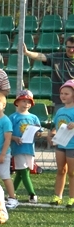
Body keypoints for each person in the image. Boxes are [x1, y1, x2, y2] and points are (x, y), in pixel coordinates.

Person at [9, 90, 41, 204]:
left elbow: (39, 132)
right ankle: (32, 194)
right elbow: (7, 133)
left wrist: (38, 133)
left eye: (28, 102)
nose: (26, 104)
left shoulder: (34, 117)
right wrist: (14, 138)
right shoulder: (13, 117)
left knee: (21, 172)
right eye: (23, 101)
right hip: (18, 148)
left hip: (29, 148)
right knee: (24, 172)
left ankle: (11, 193)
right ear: (17, 102)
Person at [23, 35, 74, 106]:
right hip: (60, 101)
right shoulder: (57, 57)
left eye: (73, 47)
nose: (71, 50)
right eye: (69, 47)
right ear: (65, 46)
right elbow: (42, 56)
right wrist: (27, 52)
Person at [49, 79, 74, 207]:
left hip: (72, 146)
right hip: (60, 145)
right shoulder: (59, 110)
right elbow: (56, 126)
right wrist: (52, 134)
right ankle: (57, 196)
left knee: (72, 172)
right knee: (60, 170)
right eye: (61, 93)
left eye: (66, 94)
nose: (63, 96)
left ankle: (72, 197)